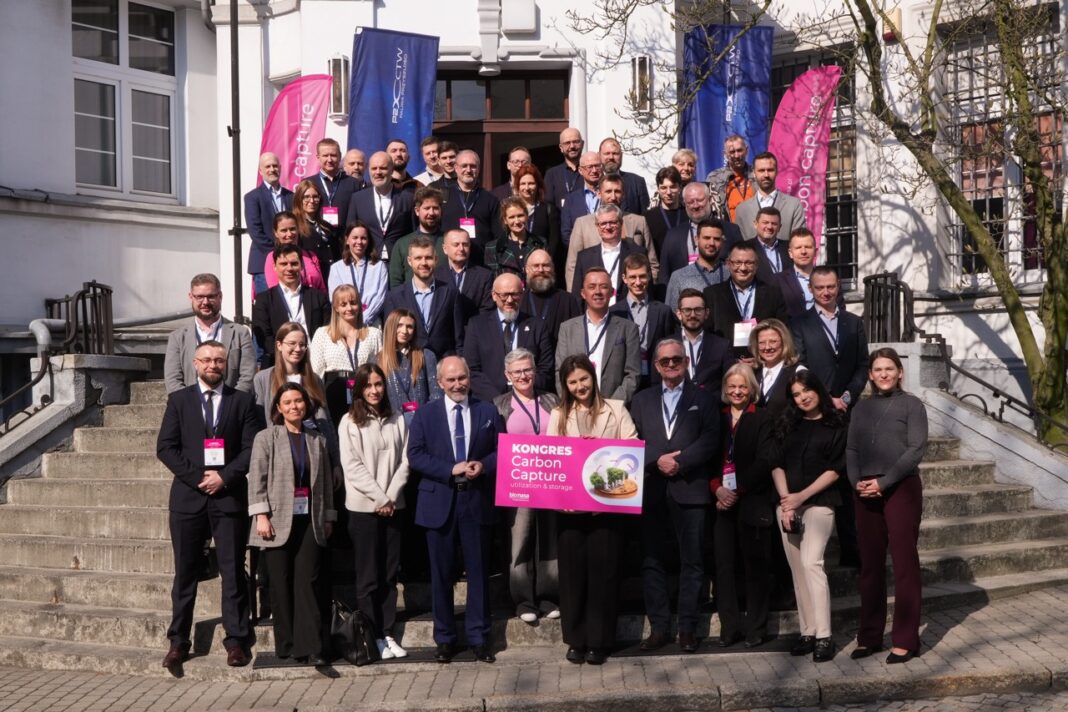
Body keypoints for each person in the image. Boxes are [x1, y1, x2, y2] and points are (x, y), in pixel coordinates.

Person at [156, 340, 261, 676]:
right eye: (207, 360)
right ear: (195, 363)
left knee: (233, 571)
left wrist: (225, 477)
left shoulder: (242, 401)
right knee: (185, 573)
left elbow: (251, 448)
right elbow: (165, 447)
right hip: (188, 499)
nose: (213, 365)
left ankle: (236, 640)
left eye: (219, 360)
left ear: (226, 364)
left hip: (228, 499)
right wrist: (198, 478)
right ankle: (178, 642)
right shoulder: (179, 401)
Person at [407, 356, 502, 664]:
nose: (458, 384)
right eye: (451, 379)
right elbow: (415, 455)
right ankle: (445, 638)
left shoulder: (487, 411)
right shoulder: (425, 414)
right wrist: (450, 469)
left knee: (479, 574)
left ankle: (479, 638)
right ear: (439, 383)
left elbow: (502, 450)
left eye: (462, 377)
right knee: (441, 575)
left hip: (476, 501)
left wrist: (483, 465)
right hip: (440, 502)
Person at [630, 340, 719, 654]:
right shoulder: (641, 400)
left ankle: (687, 629)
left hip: (690, 487)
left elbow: (711, 439)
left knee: (692, 561)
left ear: (686, 362)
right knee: (651, 560)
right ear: (655, 365)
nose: (671, 365)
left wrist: (680, 462)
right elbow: (633, 438)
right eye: (665, 361)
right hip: (652, 488)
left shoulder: (704, 398)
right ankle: (659, 628)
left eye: (676, 360)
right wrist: (659, 460)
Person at [550, 354, 639, 665]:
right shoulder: (559, 414)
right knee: (572, 577)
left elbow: (633, 445)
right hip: (570, 511)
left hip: (607, 509)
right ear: (565, 386)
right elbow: (552, 458)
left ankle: (599, 642)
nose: (580, 386)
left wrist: (601, 450)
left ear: (593, 377)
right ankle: (576, 640)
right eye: (572, 382)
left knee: (604, 575)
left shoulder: (616, 409)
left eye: (584, 379)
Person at [846, 347, 928, 664]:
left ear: (900, 373)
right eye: (878, 369)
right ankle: (869, 636)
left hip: (901, 487)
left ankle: (906, 639)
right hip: (865, 489)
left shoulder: (912, 405)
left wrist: (885, 481)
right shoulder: (861, 408)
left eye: (889, 369)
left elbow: (916, 448)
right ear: (870, 374)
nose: (884, 374)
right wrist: (856, 481)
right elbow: (852, 448)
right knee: (870, 565)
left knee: (904, 562)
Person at [247, 382, 335, 665]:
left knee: (307, 581)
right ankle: (287, 644)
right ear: (279, 408)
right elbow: (257, 478)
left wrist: (329, 515)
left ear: (305, 404)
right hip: (275, 520)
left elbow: (326, 484)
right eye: (288, 402)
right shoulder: (266, 437)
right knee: (280, 583)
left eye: (298, 401)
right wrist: (260, 515)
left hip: (310, 519)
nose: (294, 406)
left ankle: (312, 646)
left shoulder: (317, 440)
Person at [771, 370, 847, 663]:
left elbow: (835, 470)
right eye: (796, 394)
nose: (802, 398)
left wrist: (800, 497)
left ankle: (825, 636)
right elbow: (776, 463)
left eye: (806, 391)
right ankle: (808, 632)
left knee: (811, 563)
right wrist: (787, 502)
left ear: (818, 389)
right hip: (787, 505)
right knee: (798, 570)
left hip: (819, 503)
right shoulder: (787, 423)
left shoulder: (837, 423)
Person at [338, 363, 411, 660]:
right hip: (364, 509)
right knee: (368, 576)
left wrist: (390, 497)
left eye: (378, 384)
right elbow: (352, 467)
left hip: (394, 506)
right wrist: (380, 497)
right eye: (367, 385)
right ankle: (372, 636)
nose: (374, 390)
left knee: (389, 575)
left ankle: (387, 632)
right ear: (359, 389)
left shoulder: (398, 418)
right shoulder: (349, 422)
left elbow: (406, 460)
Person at [493, 348, 561, 623]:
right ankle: (523, 602)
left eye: (527, 369)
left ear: (535, 371)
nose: (523, 375)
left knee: (550, 541)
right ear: (507, 375)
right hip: (517, 484)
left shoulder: (551, 400)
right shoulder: (499, 404)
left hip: (551, 482)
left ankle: (549, 597)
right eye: (517, 371)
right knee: (519, 543)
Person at [711, 363, 775, 648]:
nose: (737, 391)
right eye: (732, 386)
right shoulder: (716, 416)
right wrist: (717, 488)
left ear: (752, 389)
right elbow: (709, 456)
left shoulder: (763, 417)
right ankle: (730, 627)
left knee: (755, 566)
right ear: (725, 389)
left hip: (752, 499)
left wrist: (738, 490)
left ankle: (756, 628)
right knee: (724, 565)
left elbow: (765, 459)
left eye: (743, 386)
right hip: (720, 500)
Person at [556, 268, 641, 405]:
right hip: (576, 407)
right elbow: (560, 372)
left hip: (613, 409)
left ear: (612, 292)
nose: (597, 292)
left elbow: (633, 375)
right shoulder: (567, 328)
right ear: (583, 293)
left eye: (603, 287)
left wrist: (609, 407)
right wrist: (574, 404)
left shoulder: (628, 328)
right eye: (591, 287)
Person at [463, 273, 554, 401]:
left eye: (514, 294)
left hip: (528, 399)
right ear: (494, 295)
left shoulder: (537, 326)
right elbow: (471, 369)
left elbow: (545, 369)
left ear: (522, 295)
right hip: (489, 401)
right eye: (504, 295)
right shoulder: (477, 325)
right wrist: (499, 400)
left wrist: (522, 394)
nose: (510, 300)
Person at [164, 273, 255, 394]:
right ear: (191, 297)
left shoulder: (240, 333)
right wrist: (188, 403)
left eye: (211, 296)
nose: (205, 302)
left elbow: (248, 375)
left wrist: (232, 402)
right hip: (190, 404)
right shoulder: (177, 337)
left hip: (231, 403)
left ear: (220, 296)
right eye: (199, 297)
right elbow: (172, 380)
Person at [564, 174, 655, 290]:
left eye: (617, 191)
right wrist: (575, 297)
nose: (613, 196)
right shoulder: (582, 224)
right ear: (598, 193)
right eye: (608, 191)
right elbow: (572, 266)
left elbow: (652, 263)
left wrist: (647, 292)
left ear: (623, 194)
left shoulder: (639, 221)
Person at [310, 284, 384, 425]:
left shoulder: (373, 334)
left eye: (353, 303)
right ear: (336, 308)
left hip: (363, 392)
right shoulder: (322, 334)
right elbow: (315, 373)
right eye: (343, 304)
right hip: (333, 393)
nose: (349, 308)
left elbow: (377, 371)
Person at [702, 241, 788, 360]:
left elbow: (782, 331)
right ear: (728, 264)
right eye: (737, 262)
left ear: (757, 265)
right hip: (725, 364)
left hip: (763, 361)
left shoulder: (773, 294)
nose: (743, 268)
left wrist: (759, 360)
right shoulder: (712, 294)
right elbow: (707, 335)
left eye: (748, 263)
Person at [382, 236, 464, 359]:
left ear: (436, 260)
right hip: (407, 362)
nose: (424, 263)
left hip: (443, 362)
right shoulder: (394, 297)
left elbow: (459, 337)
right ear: (410, 261)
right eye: (418, 258)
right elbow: (390, 337)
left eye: (428, 258)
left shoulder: (451, 293)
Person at [251, 245, 331, 367]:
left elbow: (327, 331)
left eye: (294, 264)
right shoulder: (264, 300)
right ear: (274, 267)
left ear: (302, 265)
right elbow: (264, 339)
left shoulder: (318, 297)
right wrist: (287, 359)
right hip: (279, 365)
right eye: (283, 264)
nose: (289, 268)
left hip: (315, 364)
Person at [609, 253, 675, 385]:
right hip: (623, 379)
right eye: (633, 277)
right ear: (624, 278)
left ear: (649, 276)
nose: (638, 282)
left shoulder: (663, 311)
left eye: (642, 276)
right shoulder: (614, 312)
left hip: (655, 379)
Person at [659, 182, 742, 284]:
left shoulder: (731, 230)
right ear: (684, 204)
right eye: (690, 202)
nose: (695, 205)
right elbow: (664, 274)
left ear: (710, 199)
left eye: (700, 200)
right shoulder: (673, 235)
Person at [372, 307, 443, 424]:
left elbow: (436, 395)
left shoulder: (426, 355)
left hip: (422, 423)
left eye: (409, 327)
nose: (404, 331)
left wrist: (425, 419)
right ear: (391, 327)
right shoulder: (378, 360)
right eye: (399, 325)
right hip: (392, 424)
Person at [345, 151, 416, 259]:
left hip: (399, 260)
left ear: (392, 170)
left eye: (383, 168)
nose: (378, 172)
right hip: (368, 260)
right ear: (369, 171)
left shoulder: (407, 198)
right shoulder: (357, 199)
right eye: (374, 168)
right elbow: (350, 232)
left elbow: (414, 232)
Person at [571, 204, 646, 303]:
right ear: (597, 226)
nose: (608, 227)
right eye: (603, 223)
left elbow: (647, 291)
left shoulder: (637, 253)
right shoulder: (584, 257)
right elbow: (577, 296)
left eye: (612, 222)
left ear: (621, 223)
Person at [245, 152, 293, 297]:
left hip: (290, 262)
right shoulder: (252, 197)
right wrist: (278, 253)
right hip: (264, 261)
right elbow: (255, 232)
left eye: (275, 166)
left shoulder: (291, 196)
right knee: (267, 304)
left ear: (280, 168)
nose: (272, 169)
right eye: (268, 166)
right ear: (260, 171)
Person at [672, 288, 734, 399]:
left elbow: (730, 382)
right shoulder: (666, 346)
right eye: (687, 310)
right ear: (679, 314)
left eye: (698, 310)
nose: (692, 315)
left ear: (706, 313)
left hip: (712, 406)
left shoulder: (722, 346)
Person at [771, 227, 845, 319]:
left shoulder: (830, 279)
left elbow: (841, 313)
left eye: (808, 247)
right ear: (790, 253)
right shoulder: (777, 281)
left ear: (815, 251)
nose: (803, 252)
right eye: (798, 247)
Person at [440, 150, 501, 256]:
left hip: (481, 260)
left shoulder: (490, 200)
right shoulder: (443, 196)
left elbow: (498, 235)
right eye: (464, 166)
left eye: (473, 166)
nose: (468, 170)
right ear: (456, 168)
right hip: (448, 260)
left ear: (478, 169)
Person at [326, 222, 389, 327]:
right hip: (345, 322)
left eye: (363, 238)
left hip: (371, 323)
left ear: (368, 241)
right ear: (347, 240)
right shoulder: (336, 268)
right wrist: (351, 318)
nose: (359, 242)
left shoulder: (379, 266)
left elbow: (381, 297)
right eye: (355, 238)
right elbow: (335, 299)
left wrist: (364, 319)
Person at [734, 152, 806, 241]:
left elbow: (799, 242)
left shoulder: (794, 205)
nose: (766, 175)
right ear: (754, 173)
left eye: (770, 170)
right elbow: (739, 245)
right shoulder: (742, 210)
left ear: (777, 171)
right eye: (761, 170)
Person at [664, 218, 730, 315]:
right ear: (696, 239)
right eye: (706, 238)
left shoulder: (731, 274)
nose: (711, 243)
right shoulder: (679, 277)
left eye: (716, 239)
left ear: (722, 242)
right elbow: (671, 315)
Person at [522, 249, 582, 352]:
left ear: (553, 268)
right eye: (536, 266)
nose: (541, 270)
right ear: (527, 270)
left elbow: (576, 338)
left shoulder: (568, 301)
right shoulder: (519, 300)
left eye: (545, 265)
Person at [309, 138, 360, 253]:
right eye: (325, 155)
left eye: (333, 155)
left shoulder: (354, 184)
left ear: (340, 156)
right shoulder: (308, 183)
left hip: (346, 245)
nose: (329, 159)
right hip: (316, 245)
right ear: (318, 157)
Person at [434, 228, 494, 324]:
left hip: (474, 329)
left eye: (465, 244)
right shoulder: (435, 275)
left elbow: (487, 310)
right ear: (445, 249)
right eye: (456, 244)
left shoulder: (485, 276)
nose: (461, 249)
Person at [389, 187, 446, 288]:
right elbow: (395, 282)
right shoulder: (402, 244)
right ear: (417, 211)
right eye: (427, 208)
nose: (431, 213)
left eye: (435, 208)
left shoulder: (449, 242)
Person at [485, 195, 548, 279]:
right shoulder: (493, 248)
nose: (517, 221)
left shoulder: (540, 243)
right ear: (505, 220)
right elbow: (492, 280)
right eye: (511, 217)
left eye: (520, 216)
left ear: (527, 216)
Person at [264, 211, 327, 293]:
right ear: (276, 233)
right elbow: (275, 291)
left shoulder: (311, 256)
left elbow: (322, 288)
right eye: (284, 230)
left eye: (292, 229)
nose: (289, 234)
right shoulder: (272, 258)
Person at [750, 319, 804, 413]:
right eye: (762, 342)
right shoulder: (752, 373)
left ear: (784, 342)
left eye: (773, 341)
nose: (767, 347)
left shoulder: (798, 372)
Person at [705, 134, 755, 222]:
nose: (736, 155)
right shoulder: (714, 178)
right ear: (725, 154)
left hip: (754, 226)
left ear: (746, 150)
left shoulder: (757, 174)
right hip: (728, 227)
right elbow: (709, 208)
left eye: (740, 150)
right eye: (732, 152)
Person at [558, 152, 603, 246]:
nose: (594, 170)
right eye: (589, 167)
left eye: (597, 166)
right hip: (582, 251)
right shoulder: (571, 200)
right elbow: (566, 233)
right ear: (580, 170)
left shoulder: (610, 194)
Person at [292, 179, 337, 270]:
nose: (312, 201)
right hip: (311, 275)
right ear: (299, 199)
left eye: (315, 196)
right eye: (306, 197)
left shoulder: (326, 226)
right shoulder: (294, 226)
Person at [598, 137, 650, 214]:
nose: (611, 157)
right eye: (607, 153)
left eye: (615, 153)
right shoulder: (589, 182)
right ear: (599, 155)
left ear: (621, 156)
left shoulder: (637, 182)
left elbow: (645, 216)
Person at [512, 164, 556, 253]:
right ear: (518, 186)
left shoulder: (548, 209)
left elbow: (553, 242)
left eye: (531, 183)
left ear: (538, 185)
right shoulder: (511, 209)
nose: (527, 188)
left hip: (540, 259)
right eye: (523, 184)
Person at [644, 166, 683, 262]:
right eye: (664, 188)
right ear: (658, 189)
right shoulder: (647, 217)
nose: (668, 192)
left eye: (672, 187)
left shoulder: (689, 215)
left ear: (680, 188)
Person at [748, 207, 791, 284]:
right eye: (765, 222)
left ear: (779, 227)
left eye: (774, 224)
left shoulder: (789, 247)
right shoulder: (746, 248)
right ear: (755, 224)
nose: (769, 227)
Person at [544, 127, 584, 210]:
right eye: (567, 143)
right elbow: (548, 205)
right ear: (561, 148)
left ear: (582, 144)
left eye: (576, 142)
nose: (572, 146)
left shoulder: (592, 171)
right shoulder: (552, 174)